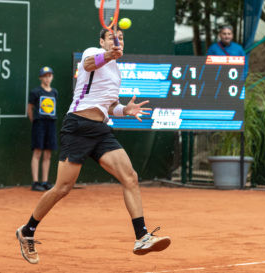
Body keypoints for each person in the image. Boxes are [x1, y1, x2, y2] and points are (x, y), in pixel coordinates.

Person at [16, 28, 171, 264]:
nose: (117, 40)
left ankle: (141, 236)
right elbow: (87, 65)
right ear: (102, 41)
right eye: (112, 37)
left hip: (100, 131)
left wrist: (124, 110)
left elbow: (108, 106)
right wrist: (108, 54)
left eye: (121, 37)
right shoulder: (94, 53)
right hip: (77, 126)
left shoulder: (117, 73)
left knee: (130, 177)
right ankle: (27, 231)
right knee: (62, 188)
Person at [28, 66, 58, 191]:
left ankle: (45, 181)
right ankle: (35, 182)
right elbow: (29, 108)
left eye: (49, 75)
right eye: (45, 76)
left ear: (52, 77)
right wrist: (34, 121)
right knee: (37, 152)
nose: (47, 78)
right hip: (39, 124)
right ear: (41, 78)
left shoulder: (54, 92)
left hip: (51, 124)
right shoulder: (35, 92)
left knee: (48, 154)